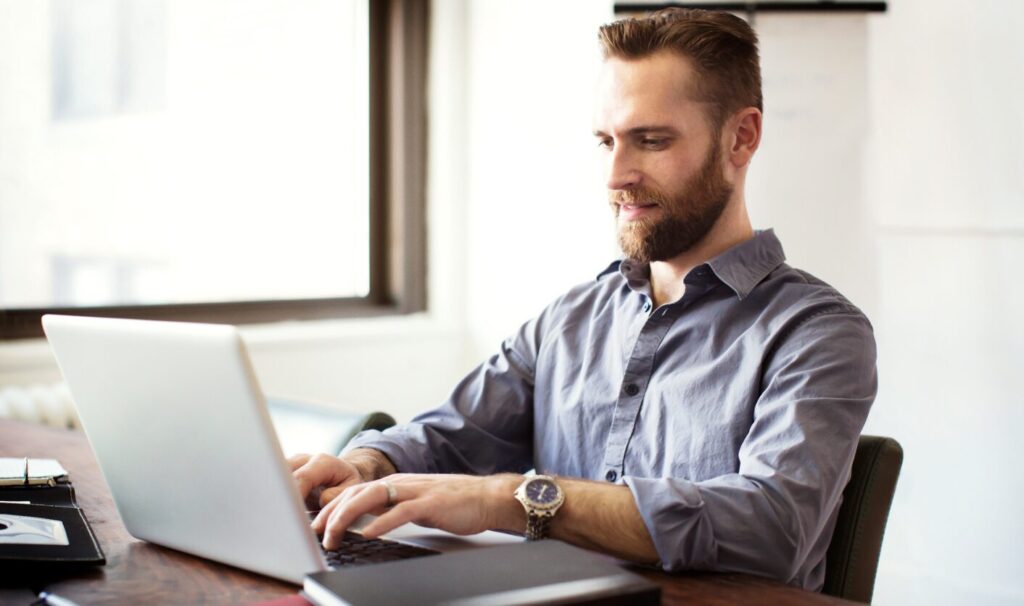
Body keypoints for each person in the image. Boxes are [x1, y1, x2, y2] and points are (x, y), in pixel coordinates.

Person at [289, 8, 876, 591]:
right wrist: (367, 465)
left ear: (741, 137)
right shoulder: (571, 318)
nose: (616, 175)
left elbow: (770, 530)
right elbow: (451, 435)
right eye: (606, 141)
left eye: (650, 140)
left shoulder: (817, 331)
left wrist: (516, 500)